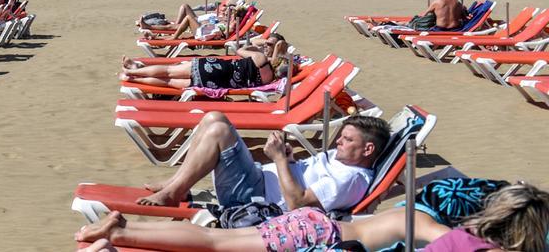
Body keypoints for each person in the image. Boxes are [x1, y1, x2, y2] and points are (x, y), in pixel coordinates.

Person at [76, 182, 549, 252]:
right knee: (218, 245)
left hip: (320, 229)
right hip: (317, 236)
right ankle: (120, 235)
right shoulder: (447, 237)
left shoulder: (429, 223)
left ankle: (123, 230)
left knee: (219, 242)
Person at [134, 113, 388, 214]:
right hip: (257, 181)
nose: (338, 142)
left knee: (220, 131)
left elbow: (297, 203)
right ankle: (175, 185)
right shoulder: (344, 160)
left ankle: (174, 191)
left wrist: (278, 159)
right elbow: (304, 177)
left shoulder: (350, 179)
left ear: (368, 149)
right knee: (213, 118)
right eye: (341, 136)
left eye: (347, 139)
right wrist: (289, 160)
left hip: (253, 198)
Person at [119, 34, 289, 90]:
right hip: (215, 84)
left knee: (169, 70)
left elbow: (240, 50)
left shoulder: (259, 58)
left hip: (214, 67)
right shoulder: (270, 78)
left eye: (269, 44)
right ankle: (134, 76)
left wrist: (259, 42)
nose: (265, 46)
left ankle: (132, 72)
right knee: (169, 81)